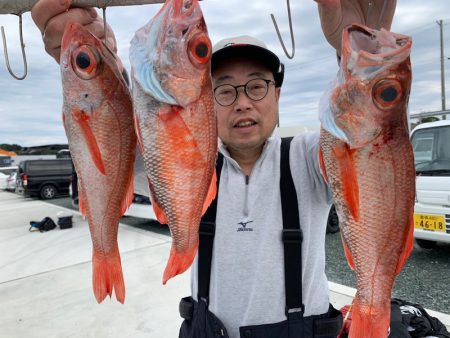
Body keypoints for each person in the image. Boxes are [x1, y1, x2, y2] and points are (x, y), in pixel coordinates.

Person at [31, 1, 397, 337]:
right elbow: (112, 139)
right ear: (204, 100)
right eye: (223, 90)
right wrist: (98, 56)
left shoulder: (307, 157)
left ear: (277, 94)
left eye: (256, 86)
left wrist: (360, 56)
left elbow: (371, 141)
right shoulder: (179, 161)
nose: (241, 103)